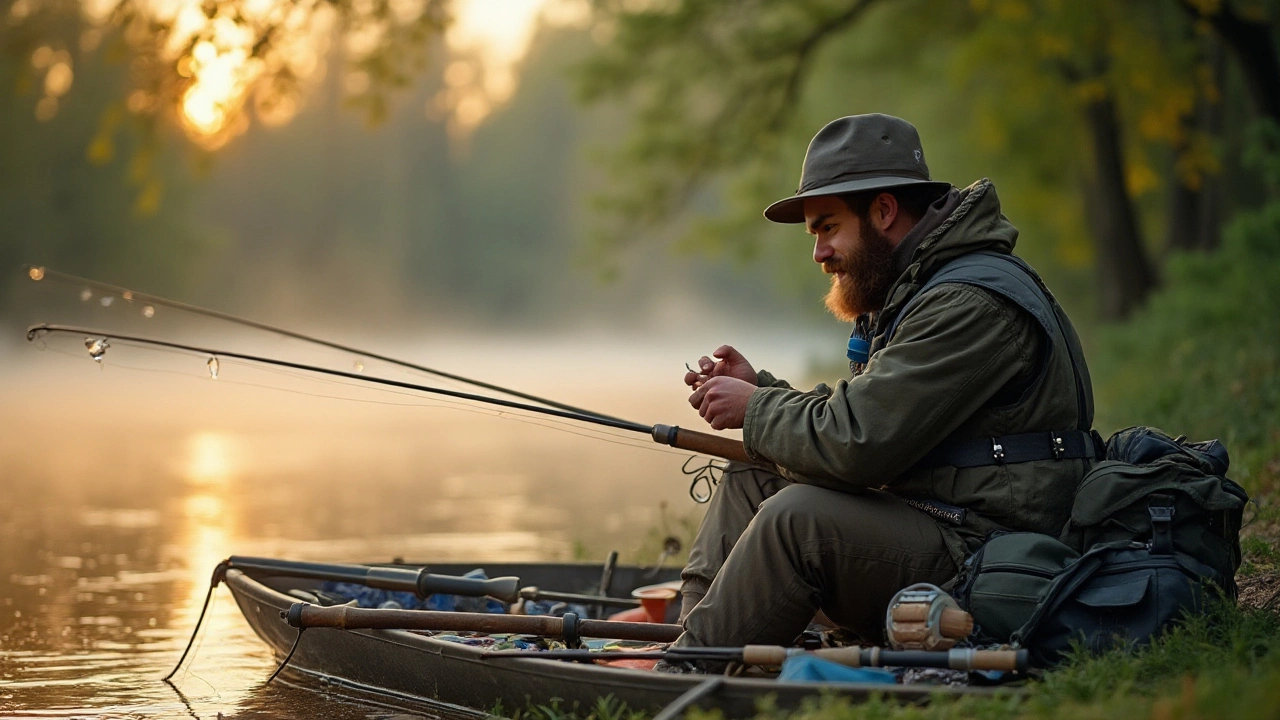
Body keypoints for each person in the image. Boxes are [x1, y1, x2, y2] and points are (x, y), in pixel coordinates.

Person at [672, 114, 1096, 653]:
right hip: (941, 519)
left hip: (991, 553)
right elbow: (869, 413)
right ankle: (688, 643)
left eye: (828, 227)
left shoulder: (966, 303)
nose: (819, 253)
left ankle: (686, 673)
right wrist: (762, 388)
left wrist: (756, 408)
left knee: (796, 520)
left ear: (884, 210)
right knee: (753, 472)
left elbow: (860, 443)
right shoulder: (922, 288)